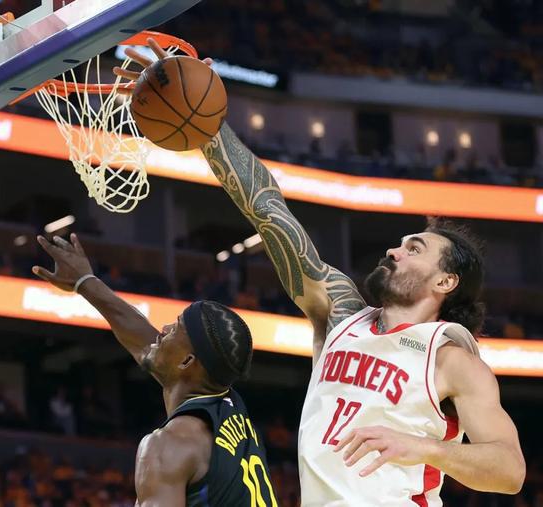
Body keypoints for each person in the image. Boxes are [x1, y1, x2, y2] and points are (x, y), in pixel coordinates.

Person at [114, 39, 525, 506]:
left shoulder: (450, 360)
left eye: (414, 249)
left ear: (445, 282)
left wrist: (424, 448)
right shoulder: (339, 314)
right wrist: (209, 129)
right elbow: (269, 212)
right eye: (400, 243)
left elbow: (510, 471)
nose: (394, 250)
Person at [33, 234, 277, 506]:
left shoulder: (169, 446)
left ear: (186, 362)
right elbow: (142, 340)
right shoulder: (227, 404)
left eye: (175, 329)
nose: (163, 330)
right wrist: (85, 282)